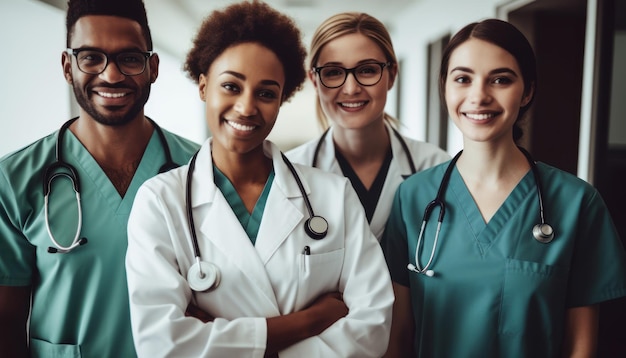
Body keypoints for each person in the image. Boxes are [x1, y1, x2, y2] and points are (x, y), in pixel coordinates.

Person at [125, 2, 393, 357]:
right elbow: (163, 345)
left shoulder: (332, 195)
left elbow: (372, 324)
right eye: (231, 86)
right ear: (203, 86)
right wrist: (310, 321)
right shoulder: (160, 201)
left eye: (266, 93)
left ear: (282, 99)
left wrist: (224, 340)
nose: (247, 107)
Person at [382, 19, 626, 357]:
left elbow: (581, 346)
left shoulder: (576, 203)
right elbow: (399, 337)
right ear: (445, 88)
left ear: (527, 91)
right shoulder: (414, 198)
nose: (479, 96)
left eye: (500, 79)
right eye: (463, 79)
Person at [0, 0, 199, 356]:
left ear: (153, 67)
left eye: (130, 58)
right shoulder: (14, 180)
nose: (111, 75)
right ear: (67, 66)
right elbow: (5, 323)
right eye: (91, 57)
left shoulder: (203, 170)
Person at [286, 12, 450, 241]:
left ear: (391, 75)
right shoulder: (288, 173)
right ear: (314, 81)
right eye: (333, 73)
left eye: (367, 70)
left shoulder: (438, 169)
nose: (351, 88)